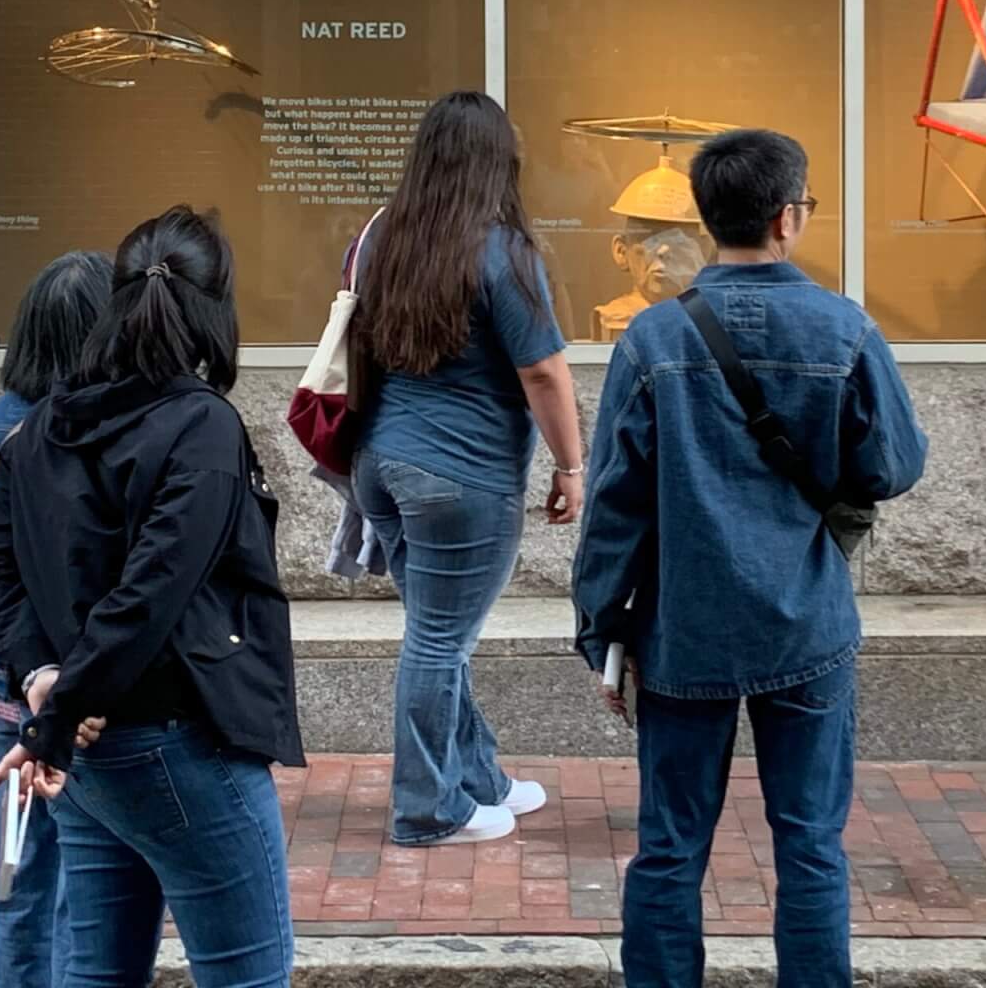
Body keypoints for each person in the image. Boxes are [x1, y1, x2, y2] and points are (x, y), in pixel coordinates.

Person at [571, 128, 929, 988]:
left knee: (668, 846)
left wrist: (600, 633)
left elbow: (614, 506)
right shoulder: (844, 327)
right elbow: (893, 465)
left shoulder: (653, 339)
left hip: (680, 628)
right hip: (805, 625)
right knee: (809, 843)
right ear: (787, 217)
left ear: (708, 218)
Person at [0, 206, 302, 988]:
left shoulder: (43, 422)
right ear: (217, 309)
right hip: (175, 737)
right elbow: (150, 594)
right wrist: (56, 699)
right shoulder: (202, 427)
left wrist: (44, 684)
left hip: (85, 749)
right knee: (248, 972)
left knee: (97, 971)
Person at [352, 90, 586, 846]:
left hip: (382, 467)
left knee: (440, 632)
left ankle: (477, 777)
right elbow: (545, 373)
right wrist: (571, 467)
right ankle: (427, 809)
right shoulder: (501, 249)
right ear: (499, 163)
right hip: (461, 479)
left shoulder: (386, 236)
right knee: (439, 642)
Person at [0, 249, 112, 988]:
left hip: (4, 681)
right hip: (69, 688)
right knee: (86, 882)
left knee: (22, 874)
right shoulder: (74, 434)